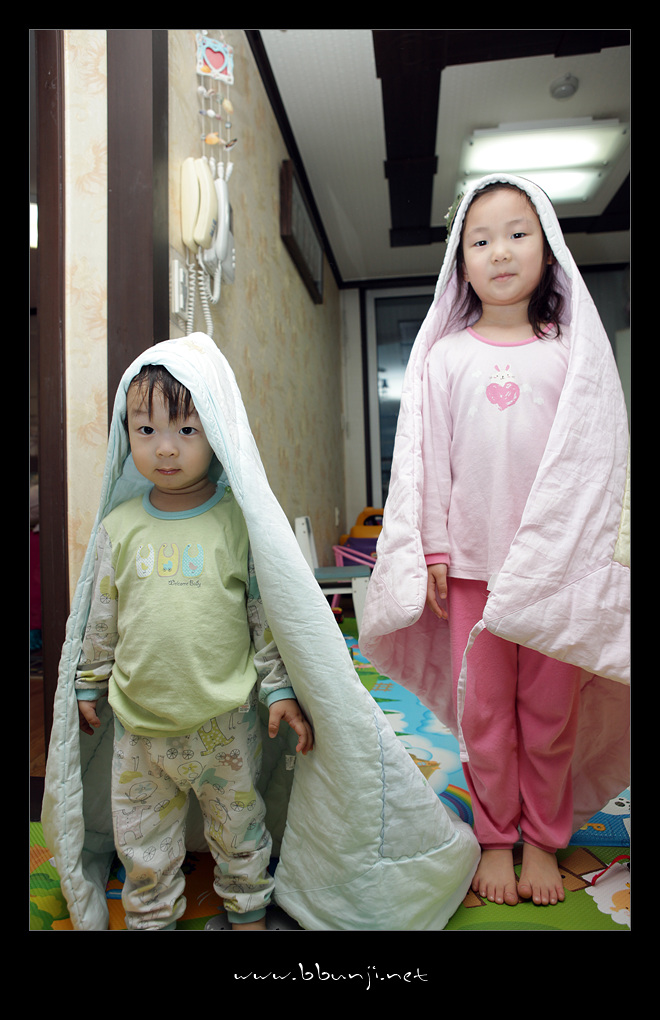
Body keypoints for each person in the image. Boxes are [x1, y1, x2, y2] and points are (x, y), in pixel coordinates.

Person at [359, 174, 630, 912]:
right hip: (472, 575)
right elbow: (425, 461)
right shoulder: (445, 357)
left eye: (517, 234)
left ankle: (542, 837)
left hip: (552, 575)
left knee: (549, 715)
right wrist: (433, 551)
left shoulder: (571, 353)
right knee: (482, 716)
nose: (500, 252)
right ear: (461, 258)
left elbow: (597, 455)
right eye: (480, 240)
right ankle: (493, 836)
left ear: (548, 248)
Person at [75, 362, 313, 930]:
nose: (165, 448)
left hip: (223, 721)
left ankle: (248, 912)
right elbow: (102, 615)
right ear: (126, 435)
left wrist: (279, 688)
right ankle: (150, 917)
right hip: (140, 724)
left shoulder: (238, 522)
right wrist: (89, 679)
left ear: (217, 436)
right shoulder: (119, 527)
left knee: (239, 827)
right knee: (142, 839)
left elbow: (263, 616)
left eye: (186, 430)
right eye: (146, 429)